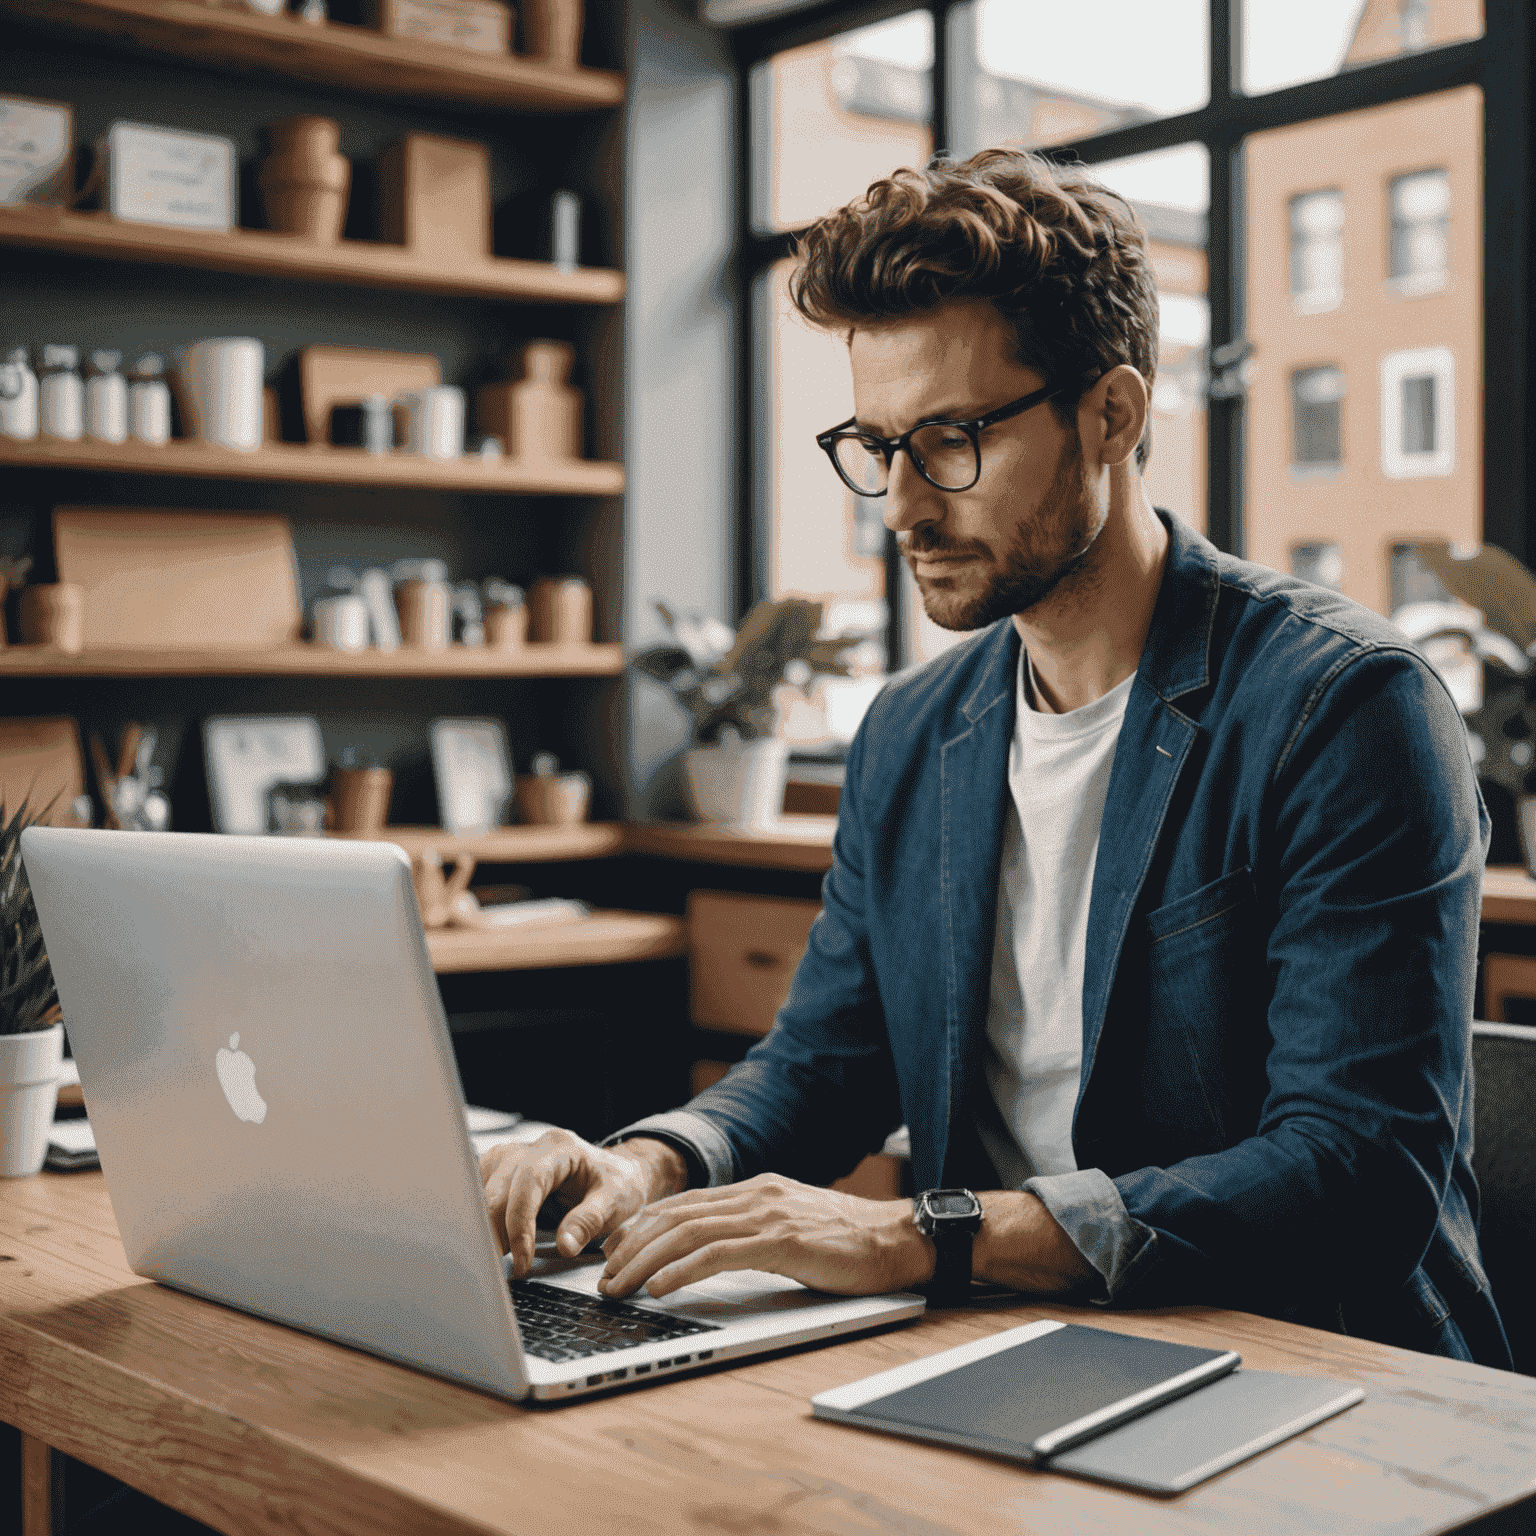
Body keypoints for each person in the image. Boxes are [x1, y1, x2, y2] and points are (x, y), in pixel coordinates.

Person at [481, 148, 1510, 1366]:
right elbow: (826, 1059)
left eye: (954, 439)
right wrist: (646, 1163)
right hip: (1005, 1345)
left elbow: (1353, 1171)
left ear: (1114, 414)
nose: (905, 507)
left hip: (1318, 1367)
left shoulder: (1343, 710)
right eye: (877, 446)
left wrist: (924, 1235)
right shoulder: (914, 733)